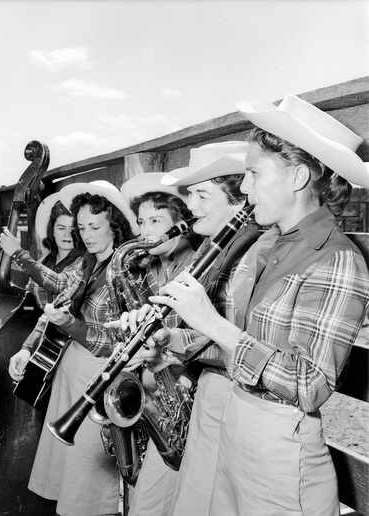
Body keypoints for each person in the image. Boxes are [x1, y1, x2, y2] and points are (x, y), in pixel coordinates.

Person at [150, 96, 369, 515]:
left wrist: (215, 324)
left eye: (253, 173)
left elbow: (310, 384)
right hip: (238, 437)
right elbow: (240, 350)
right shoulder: (270, 246)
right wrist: (171, 337)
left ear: (299, 176)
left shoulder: (337, 259)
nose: (244, 187)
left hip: (282, 456)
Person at [114, 142, 260, 516]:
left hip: (228, 404)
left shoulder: (249, 255)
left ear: (239, 196)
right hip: (200, 397)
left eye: (201, 194)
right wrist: (166, 343)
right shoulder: (213, 251)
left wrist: (170, 349)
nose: (191, 206)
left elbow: (240, 341)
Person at [6, 180, 138, 516]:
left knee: (88, 473)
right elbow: (60, 283)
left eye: (95, 226)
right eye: (82, 227)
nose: (88, 234)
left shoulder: (126, 269)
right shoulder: (88, 262)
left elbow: (117, 339)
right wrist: (21, 256)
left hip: (98, 378)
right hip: (71, 374)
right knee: (69, 468)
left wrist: (70, 325)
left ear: (115, 226)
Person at [107, 172, 199, 516]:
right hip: (156, 392)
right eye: (142, 221)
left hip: (182, 399)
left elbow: (195, 343)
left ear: (182, 224)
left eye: (157, 220)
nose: (145, 231)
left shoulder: (197, 269)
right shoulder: (149, 268)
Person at [0, 192, 83, 309]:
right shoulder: (46, 258)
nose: (67, 234)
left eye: (73, 229)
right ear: (52, 230)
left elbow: (59, 284)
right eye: (61, 228)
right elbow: (30, 293)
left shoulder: (83, 261)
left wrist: (18, 253)